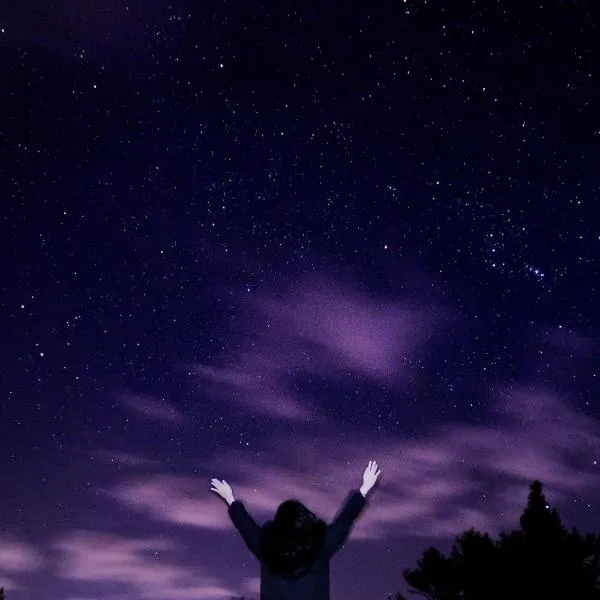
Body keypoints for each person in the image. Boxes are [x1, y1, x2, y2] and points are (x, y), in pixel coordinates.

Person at [210, 460, 382, 600]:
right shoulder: (321, 545)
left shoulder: (265, 547)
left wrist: (230, 499)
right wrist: (364, 489)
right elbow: (345, 519)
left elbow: (245, 526)